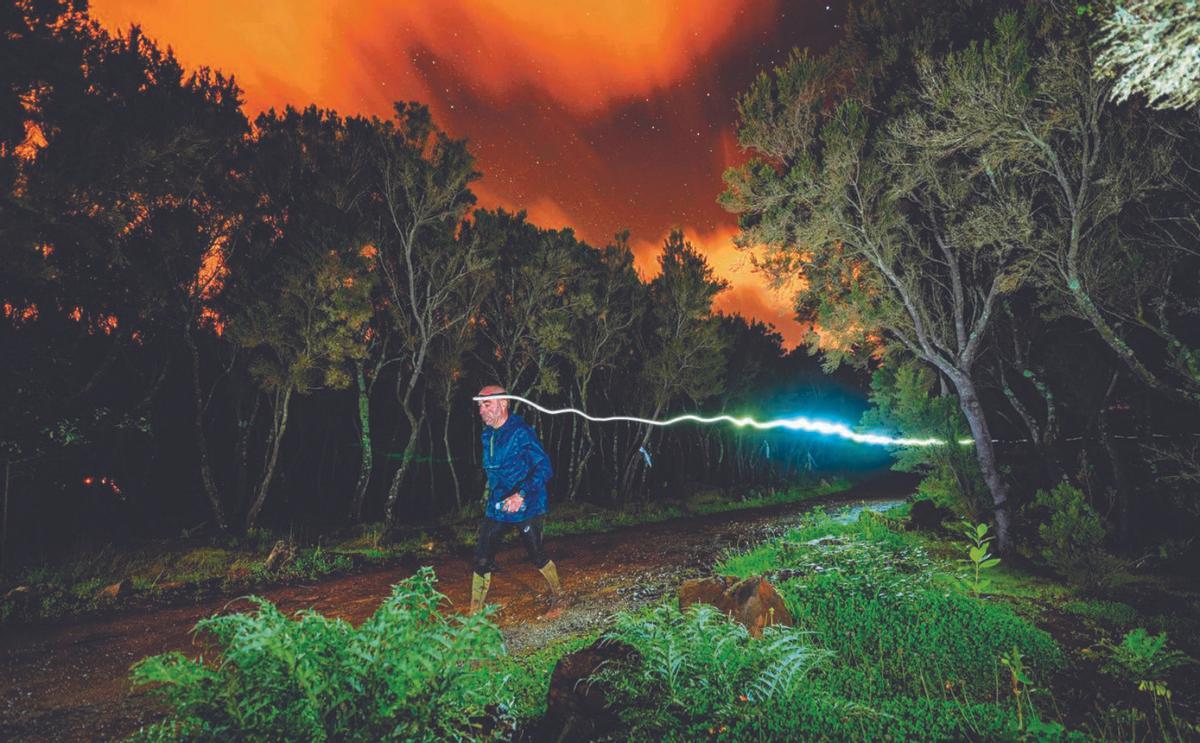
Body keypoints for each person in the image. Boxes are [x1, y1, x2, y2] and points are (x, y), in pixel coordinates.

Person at [470, 384, 563, 615]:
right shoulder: (487, 434)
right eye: (479, 405)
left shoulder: (521, 432)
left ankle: (559, 597)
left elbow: (544, 468)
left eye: (486, 404)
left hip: (527, 504)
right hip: (498, 505)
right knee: (481, 558)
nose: (481, 410)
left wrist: (520, 494)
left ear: (503, 404)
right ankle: (474, 615)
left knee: (536, 554)